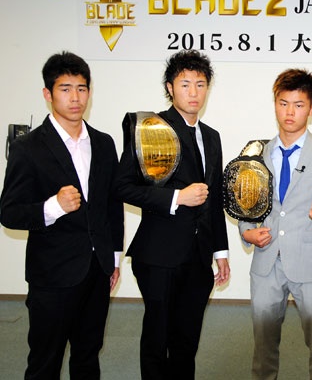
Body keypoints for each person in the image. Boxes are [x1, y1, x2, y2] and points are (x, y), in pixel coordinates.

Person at [0, 51, 124, 379]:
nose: (75, 97)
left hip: (97, 271)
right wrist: (53, 206)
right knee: (45, 362)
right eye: (65, 89)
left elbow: (112, 205)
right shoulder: (28, 147)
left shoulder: (103, 143)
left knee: (88, 357)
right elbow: (9, 213)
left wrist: (113, 257)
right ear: (48, 94)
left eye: (81, 88)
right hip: (52, 275)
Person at [114, 49, 230, 379]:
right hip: (159, 254)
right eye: (185, 84)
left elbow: (214, 198)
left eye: (200, 84)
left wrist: (220, 252)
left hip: (199, 257)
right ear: (170, 88)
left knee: (187, 340)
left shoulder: (212, 137)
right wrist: (177, 197)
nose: (193, 92)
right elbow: (122, 187)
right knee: (157, 338)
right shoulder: (151, 129)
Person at [238, 69, 312, 380]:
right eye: (283, 103)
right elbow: (246, 205)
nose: (290, 112)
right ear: (275, 104)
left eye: (299, 105)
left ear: (311, 108)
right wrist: (247, 232)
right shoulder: (256, 153)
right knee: (263, 347)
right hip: (266, 262)